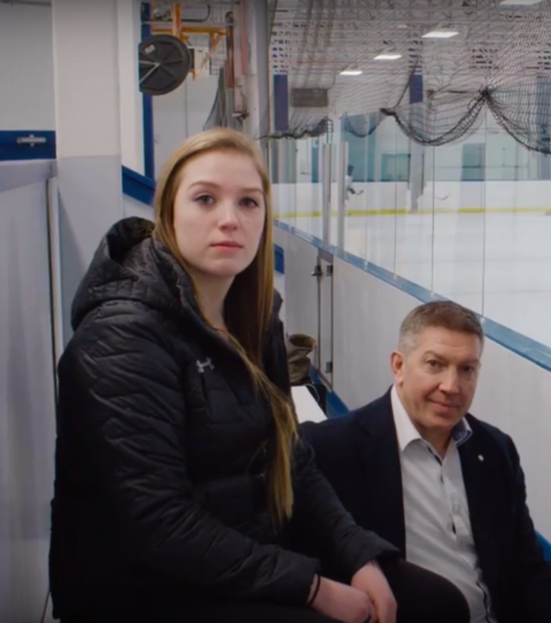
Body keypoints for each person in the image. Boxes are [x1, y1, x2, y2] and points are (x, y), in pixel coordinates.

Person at [49, 128, 466, 623]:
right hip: (138, 585)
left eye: (248, 203)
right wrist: (312, 589)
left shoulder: (254, 318)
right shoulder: (122, 337)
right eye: (205, 199)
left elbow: (292, 460)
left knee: (438, 605)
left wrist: (358, 555)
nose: (230, 219)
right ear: (166, 211)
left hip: (239, 550)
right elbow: (157, 524)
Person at [299, 301, 551, 623]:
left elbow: (527, 566)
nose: (451, 386)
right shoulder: (330, 450)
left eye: (467, 369)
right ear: (398, 366)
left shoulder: (494, 450)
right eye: (435, 364)